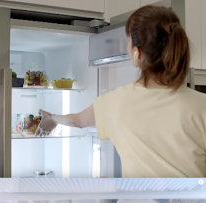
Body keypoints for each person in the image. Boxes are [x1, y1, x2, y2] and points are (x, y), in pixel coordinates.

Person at [36, 5, 206, 178]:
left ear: (137, 53)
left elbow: (77, 121)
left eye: (129, 41)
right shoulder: (202, 105)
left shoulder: (114, 102)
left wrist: (53, 118)